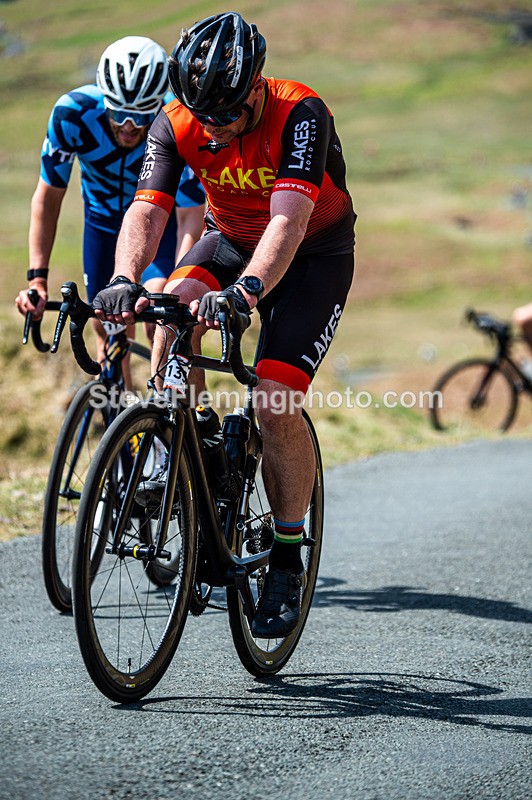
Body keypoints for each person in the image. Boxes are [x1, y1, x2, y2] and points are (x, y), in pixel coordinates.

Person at [91, 13, 356, 637]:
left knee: (274, 401)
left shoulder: (300, 113)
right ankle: (197, 445)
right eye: (201, 114)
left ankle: (287, 558)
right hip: (229, 241)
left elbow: (289, 222)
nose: (212, 126)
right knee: (168, 317)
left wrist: (248, 293)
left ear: (256, 88)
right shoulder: (178, 118)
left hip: (311, 259)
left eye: (226, 115)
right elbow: (148, 207)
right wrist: (126, 279)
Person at [15, 35, 205, 374]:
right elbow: (48, 197)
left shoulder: (177, 121)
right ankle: (118, 416)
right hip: (102, 226)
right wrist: (37, 280)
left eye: (141, 115)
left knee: (165, 325)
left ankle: (186, 416)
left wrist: (181, 282)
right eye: (119, 113)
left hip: (159, 231)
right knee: (109, 326)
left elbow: (192, 214)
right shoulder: (73, 116)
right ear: (104, 95)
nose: (129, 127)